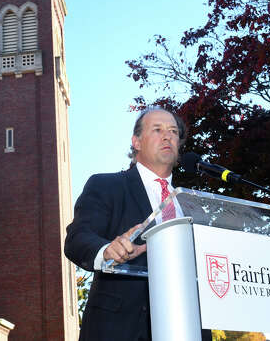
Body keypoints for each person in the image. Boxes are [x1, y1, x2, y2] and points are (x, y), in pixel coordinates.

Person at [64, 107, 186, 341]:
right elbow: (78, 237)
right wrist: (106, 250)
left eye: (173, 131)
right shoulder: (107, 185)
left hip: (186, 326)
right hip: (121, 328)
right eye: (157, 129)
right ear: (136, 142)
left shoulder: (190, 204)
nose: (167, 136)